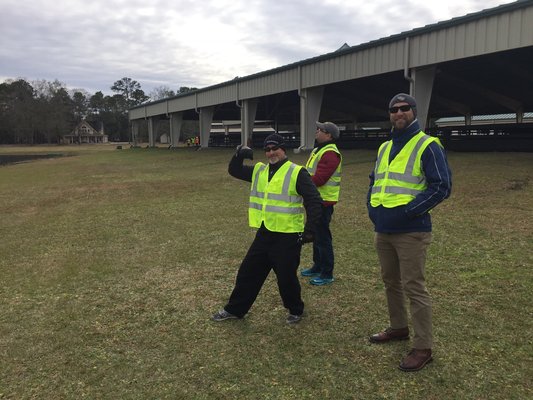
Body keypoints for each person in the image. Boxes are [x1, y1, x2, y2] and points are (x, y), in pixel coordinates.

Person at [367, 93, 452, 372]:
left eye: (404, 108)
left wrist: (408, 212)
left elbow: (441, 186)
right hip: (383, 229)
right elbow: (375, 180)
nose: (399, 113)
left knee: (414, 286)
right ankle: (398, 328)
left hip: (411, 231)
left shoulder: (427, 145)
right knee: (391, 281)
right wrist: (372, 208)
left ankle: (423, 347)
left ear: (414, 112)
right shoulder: (385, 147)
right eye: (394, 109)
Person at [212, 134, 322, 324]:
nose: (271, 153)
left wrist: (310, 229)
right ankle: (235, 310)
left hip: (288, 235)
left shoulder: (296, 172)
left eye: (275, 149)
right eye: (267, 150)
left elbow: (314, 201)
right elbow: (234, 170)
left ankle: (296, 309)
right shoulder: (260, 171)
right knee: (248, 272)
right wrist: (239, 154)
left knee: (286, 277)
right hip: (265, 232)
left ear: (283, 149)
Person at [300, 122, 342, 286]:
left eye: (320, 130)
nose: (316, 132)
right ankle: (317, 266)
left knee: (323, 237)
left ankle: (327, 273)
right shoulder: (319, 150)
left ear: (329, 135)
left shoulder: (330, 153)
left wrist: (301, 184)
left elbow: (320, 178)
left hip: (323, 201)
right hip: (315, 200)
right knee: (316, 235)